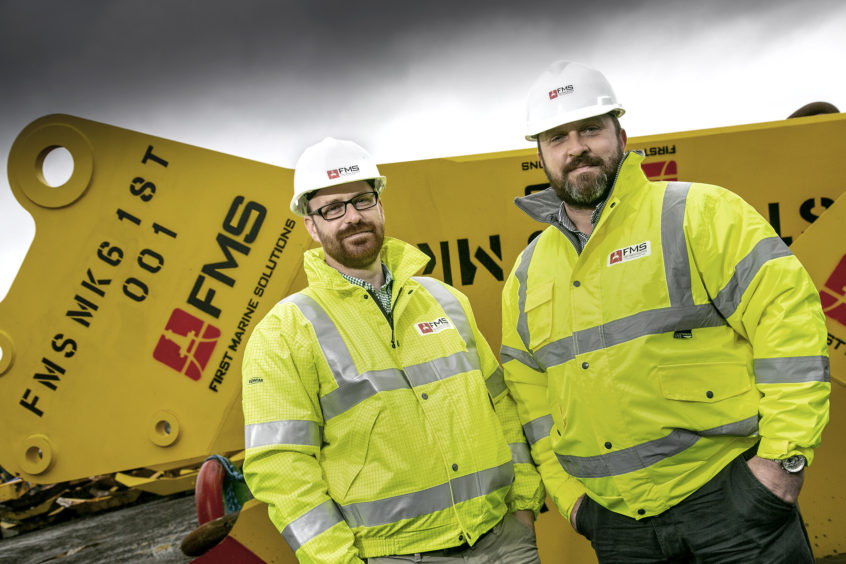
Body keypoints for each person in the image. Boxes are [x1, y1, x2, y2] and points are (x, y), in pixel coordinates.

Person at [501, 60, 831, 562]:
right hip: (618, 526)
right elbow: (532, 400)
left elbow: (790, 326)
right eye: (556, 137)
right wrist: (573, 504)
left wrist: (780, 463)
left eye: (591, 128)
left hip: (732, 501)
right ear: (541, 156)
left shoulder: (699, 213)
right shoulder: (527, 273)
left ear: (621, 135)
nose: (576, 147)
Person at [242, 137, 544, 563]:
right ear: (311, 226)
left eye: (362, 200)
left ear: (380, 205)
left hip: (502, 541)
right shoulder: (284, 332)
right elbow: (281, 465)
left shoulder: (445, 301)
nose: (352, 217)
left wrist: (525, 504)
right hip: (396, 555)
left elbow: (501, 404)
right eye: (332, 208)